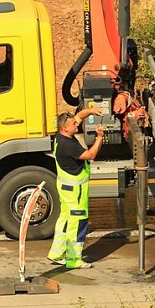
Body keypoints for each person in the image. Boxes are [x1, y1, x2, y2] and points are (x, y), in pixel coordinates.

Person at [47, 107, 105, 269]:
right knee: (77, 223)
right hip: (75, 191)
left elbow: (79, 116)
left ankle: (57, 253)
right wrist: (99, 138)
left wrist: (92, 110)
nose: (77, 125)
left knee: (65, 220)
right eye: (74, 124)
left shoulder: (60, 137)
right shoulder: (68, 146)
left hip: (65, 188)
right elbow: (91, 155)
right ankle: (74, 260)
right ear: (65, 128)